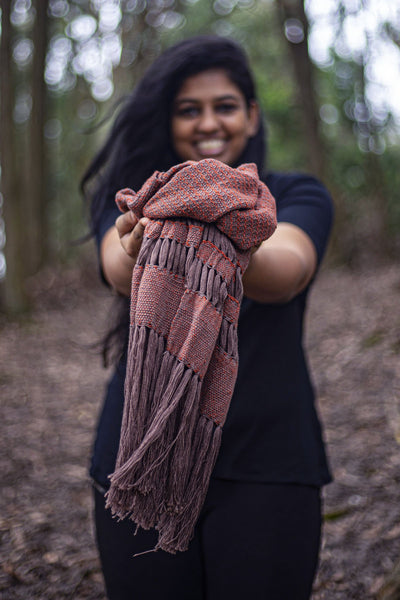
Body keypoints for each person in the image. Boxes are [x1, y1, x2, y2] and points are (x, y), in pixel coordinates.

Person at [82, 35, 333, 600]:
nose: (207, 123)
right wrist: (150, 236)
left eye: (224, 106)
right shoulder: (136, 199)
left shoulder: (295, 194)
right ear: (168, 121)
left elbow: (286, 272)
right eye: (188, 110)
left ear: (252, 113)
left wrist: (222, 228)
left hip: (266, 459)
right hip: (140, 452)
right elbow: (119, 273)